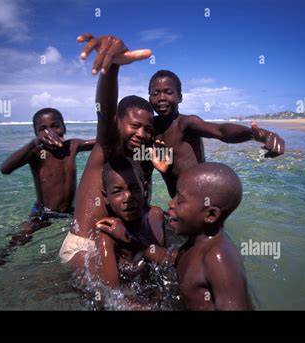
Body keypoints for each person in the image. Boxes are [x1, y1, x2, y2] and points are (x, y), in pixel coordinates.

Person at [59, 34, 157, 270]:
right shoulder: (108, 147)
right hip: (84, 248)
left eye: (148, 129)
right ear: (118, 123)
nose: (142, 134)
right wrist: (112, 68)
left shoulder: (140, 157)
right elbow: (104, 112)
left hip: (115, 244)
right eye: (134, 126)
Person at [99, 162, 251, 310]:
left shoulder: (218, 258)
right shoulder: (195, 245)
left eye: (180, 201)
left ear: (210, 214)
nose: (170, 204)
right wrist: (131, 240)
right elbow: (168, 258)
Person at [148, 70, 285, 197]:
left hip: (199, 203)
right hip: (177, 205)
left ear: (180, 97)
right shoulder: (150, 127)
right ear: (149, 98)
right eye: (155, 93)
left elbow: (221, 131)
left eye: (168, 92)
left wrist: (257, 135)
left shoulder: (186, 123)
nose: (161, 98)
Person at [0, 108, 95, 269]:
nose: (50, 132)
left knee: (90, 230)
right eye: (43, 129)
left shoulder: (72, 146)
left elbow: (100, 142)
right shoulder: (36, 152)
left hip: (68, 210)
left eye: (55, 126)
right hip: (43, 212)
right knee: (20, 239)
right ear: (36, 134)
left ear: (64, 127)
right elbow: (6, 168)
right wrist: (34, 143)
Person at [94, 157, 165, 291]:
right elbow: (112, 295)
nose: (128, 197)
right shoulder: (107, 236)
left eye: (134, 189)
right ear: (105, 198)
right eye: (117, 192)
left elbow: (165, 264)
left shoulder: (156, 216)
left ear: (144, 189)